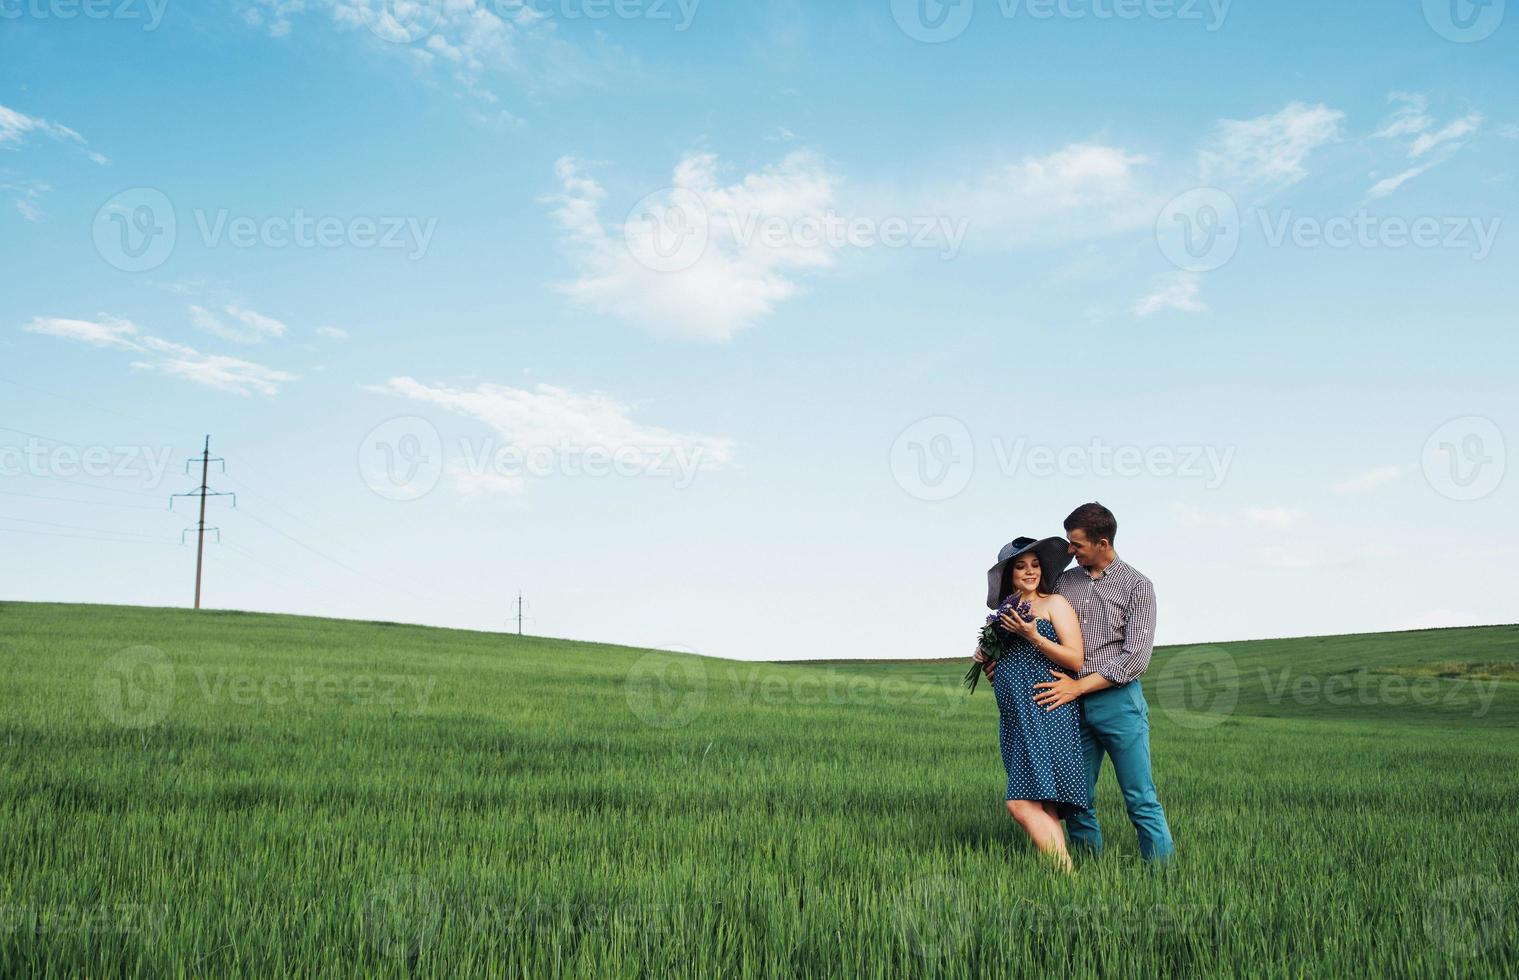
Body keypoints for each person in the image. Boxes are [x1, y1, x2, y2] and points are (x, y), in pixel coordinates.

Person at [976, 503, 1175, 863]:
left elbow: (1135, 659)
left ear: (1102, 543)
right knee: (1078, 798)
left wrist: (1077, 687)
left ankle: (1162, 877)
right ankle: (1086, 873)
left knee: (1140, 797)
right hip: (1064, 704)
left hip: (1117, 701)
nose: (1069, 550)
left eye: (1076, 544)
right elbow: (1031, 618)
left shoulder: (1138, 587)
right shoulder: (1066, 583)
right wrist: (996, 665)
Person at [978, 535, 1089, 872]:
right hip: (1014, 717)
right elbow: (1000, 666)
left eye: (1035, 565)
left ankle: (1068, 875)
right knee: (1046, 805)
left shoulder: (1056, 604)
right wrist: (986, 661)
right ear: (1009, 575)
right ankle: (1062, 879)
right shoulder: (1004, 614)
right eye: (1021, 567)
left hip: (1047, 710)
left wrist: (1033, 635)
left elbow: (1075, 660)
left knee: (1020, 803)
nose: (1029, 572)